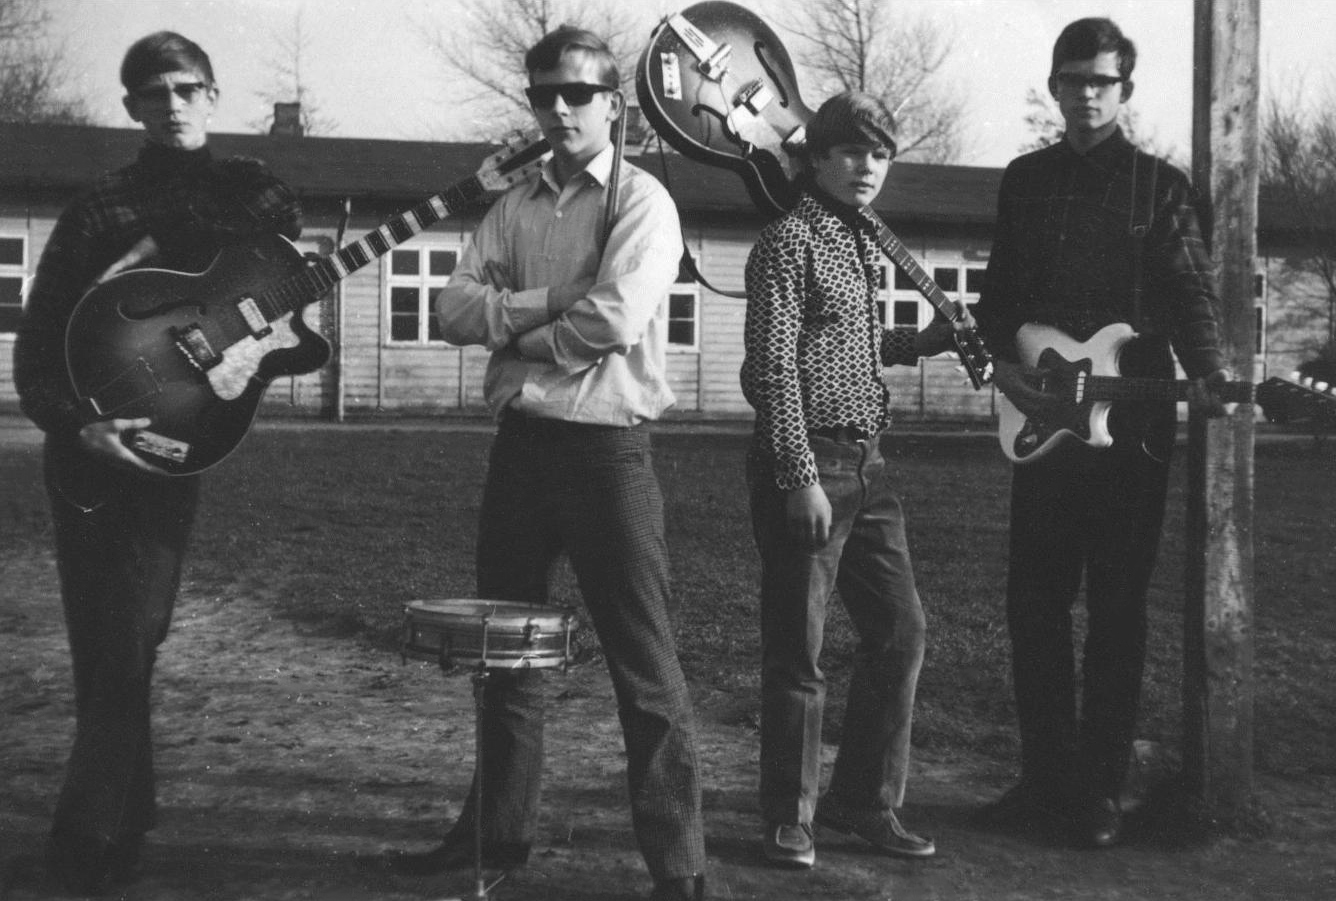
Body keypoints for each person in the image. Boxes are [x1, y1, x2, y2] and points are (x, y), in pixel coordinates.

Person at [383, 26, 707, 901]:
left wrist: (516, 328)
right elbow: (449, 309)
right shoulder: (514, 206)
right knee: (505, 654)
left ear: (615, 105)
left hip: (609, 455)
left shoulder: (643, 202)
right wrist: (551, 302)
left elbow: (614, 321)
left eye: (577, 93)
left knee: (645, 670)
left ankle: (679, 867)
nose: (558, 109)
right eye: (543, 95)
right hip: (522, 452)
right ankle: (498, 834)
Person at [12, 32, 304, 895]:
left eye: (186, 88)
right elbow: (34, 350)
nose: (171, 104)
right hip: (87, 454)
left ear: (212, 96)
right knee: (100, 643)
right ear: (131, 106)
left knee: (133, 635)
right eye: (152, 92)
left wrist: (252, 353)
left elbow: (289, 301)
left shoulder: (252, 193)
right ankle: (122, 819)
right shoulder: (101, 209)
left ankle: (84, 830)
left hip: (178, 444)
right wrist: (74, 428)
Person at [972, 17, 1232, 849]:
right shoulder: (1024, 179)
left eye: (1103, 81)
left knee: (1118, 612)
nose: (1087, 93)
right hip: (1043, 429)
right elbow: (999, 297)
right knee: (1034, 606)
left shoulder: (1160, 185)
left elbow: (1191, 292)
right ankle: (1045, 780)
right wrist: (1005, 363)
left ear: (1125, 90)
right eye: (1073, 79)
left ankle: (1100, 795)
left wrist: (1213, 368)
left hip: (1133, 436)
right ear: (1053, 87)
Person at [741, 91, 970, 870]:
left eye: (880, 152)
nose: (867, 165)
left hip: (871, 468)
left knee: (900, 631)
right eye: (849, 151)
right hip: (806, 465)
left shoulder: (861, 236)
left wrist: (920, 342)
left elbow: (842, 348)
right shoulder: (787, 239)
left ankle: (862, 801)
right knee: (797, 650)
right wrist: (799, 475)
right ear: (814, 158)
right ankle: (787, 815)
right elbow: (774, 370)